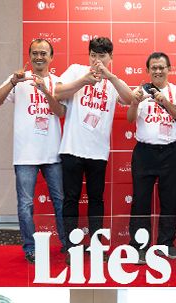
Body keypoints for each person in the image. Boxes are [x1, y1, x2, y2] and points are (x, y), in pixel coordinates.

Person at [0, 38, 66, 263]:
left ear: (51, 57)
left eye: (44, 53)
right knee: (25, 204)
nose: (39, 57)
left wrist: (46, 90)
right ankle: (30, 248)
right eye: (35, 53)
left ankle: (66, 245)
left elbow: (60, 112)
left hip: (53, 154)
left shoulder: (58, 82)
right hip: (24, 156)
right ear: (29, 56)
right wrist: (12, 82)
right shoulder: (19, 81)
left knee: (60, 201)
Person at [53, 36, 137, 250]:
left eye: (101, 56)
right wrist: (84, 80)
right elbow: (57, 92)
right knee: (71, 198)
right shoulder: (76, 70)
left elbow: (130, 99)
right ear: (88, 55)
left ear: (110, 57)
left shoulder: (111, 80)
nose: (96, 61)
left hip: (98, 152)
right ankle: (71, 246)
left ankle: (96, 245)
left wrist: (109, 76)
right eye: (93, 55)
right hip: (72, 148)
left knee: (96, 200)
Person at [128, 52, 176, 261]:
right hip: (145, 152)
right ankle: (139, 246)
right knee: (140, 202)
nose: (158, 71)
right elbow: (129, 119)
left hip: (171, 152)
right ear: (148, 70)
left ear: (169, 69)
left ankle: (165, 244)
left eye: (162, 67)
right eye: (154, 67)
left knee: (170, 201)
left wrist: (164, 102)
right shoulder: (139, 91)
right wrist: (135, 103)